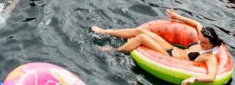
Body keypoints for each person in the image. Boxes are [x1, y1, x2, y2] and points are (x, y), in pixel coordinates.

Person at [92, 9, 224, 84]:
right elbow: (196, 24)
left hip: (171, 57)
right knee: (142, 31)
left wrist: (194, 78)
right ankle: (105, 31)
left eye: (204, 43)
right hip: (172, 49)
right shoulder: (203, 38)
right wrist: (177, 16)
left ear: (212, 44)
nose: (200, 43)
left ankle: (114, 51)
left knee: (142, 38)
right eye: (200, 41)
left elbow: (211, 77)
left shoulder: (210, 57)